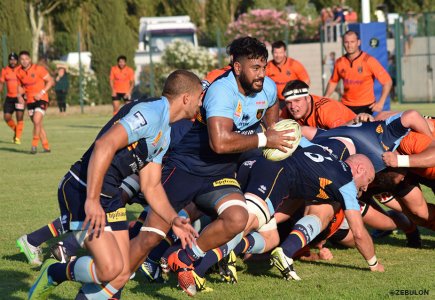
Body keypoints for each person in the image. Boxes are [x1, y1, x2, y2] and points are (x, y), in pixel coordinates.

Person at [128, 37, 292, 297]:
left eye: (264, 67)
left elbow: (272, 104)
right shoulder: (222, 91)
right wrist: (264, 139)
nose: (261, 74)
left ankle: (185, 258)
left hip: (220, 172)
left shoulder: (267, 88)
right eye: (255, 68)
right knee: (151, 235)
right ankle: (108, 272)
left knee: (237, 218)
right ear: (237, 68)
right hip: (187, 167)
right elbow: (219, 143)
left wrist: (272, 129)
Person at [28, 70, 201, 300]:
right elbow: (104, 145)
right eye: (200, 97)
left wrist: (173, 219)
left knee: (122, 272)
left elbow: (151, 186)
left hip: (109, 195)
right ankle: (54, 272)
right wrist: (91, 200)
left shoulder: (165, 132)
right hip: (82, 188)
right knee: (109, 269)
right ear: (186, 98)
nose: (201, 103)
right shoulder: (150, 112)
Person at [324, 30, 392, 114]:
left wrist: (381, 103)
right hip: (346, 106)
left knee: (363, 126)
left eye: (352, 42)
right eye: (346, 42)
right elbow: (333, 81)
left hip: (366, 107)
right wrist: (325, 98)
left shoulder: (369, 60)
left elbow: (387, 82)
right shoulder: (339, 62)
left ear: (358, 42)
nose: (349, 45)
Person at [281, 79, 369, 127]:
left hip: (354, 133)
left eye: (297, 101)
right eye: (288, 102)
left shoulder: (325, 109)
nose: (292, 106)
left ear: (307, 98)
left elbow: (342, 132)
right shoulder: (287, 111)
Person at [16, 51, 54, 154]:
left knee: (37, 120)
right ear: (20, 61)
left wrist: (41, 93)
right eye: (22, 59)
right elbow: (20, 86)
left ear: (30, 60)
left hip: (41, 99)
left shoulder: (38, 69)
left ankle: (34, 145)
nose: (24, 61)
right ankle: (46, 146)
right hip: (30, 101)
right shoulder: (18, 72)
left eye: (26, 59)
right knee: (38, 124)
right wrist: (20, 95)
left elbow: (50, 81)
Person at [266, 40, 310, 117]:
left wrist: (296, 96)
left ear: (285, 52)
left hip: (292, 98)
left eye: (280, 53)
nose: (278, 55)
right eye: (276, 53)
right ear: (272, 53)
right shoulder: (268, 66)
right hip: (276, 100)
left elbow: (306, 81)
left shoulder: (294, 64)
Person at [0, 52, 24, 144]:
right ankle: (16, 130)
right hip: (9, 98)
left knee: (19, 118)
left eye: (14, 60)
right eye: (11, 60)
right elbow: (1, 83)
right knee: (6, 117)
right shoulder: (5, 70)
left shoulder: (21, 69)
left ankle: (17, 138)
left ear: (17, 61)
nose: (12, 61)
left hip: (19, 98)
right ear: (9, 60)